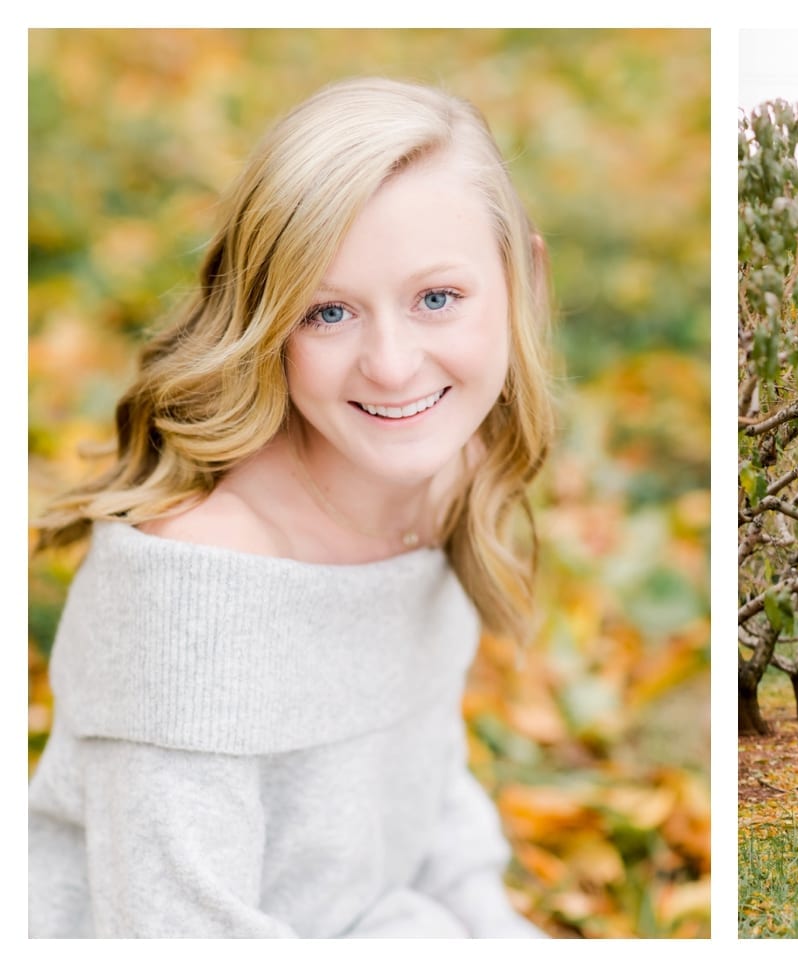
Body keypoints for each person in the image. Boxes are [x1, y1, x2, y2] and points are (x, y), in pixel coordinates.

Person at [28, 77, 553, 938]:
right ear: (266, 322)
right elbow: (176, 934)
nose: (390, 365)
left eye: (436, 298)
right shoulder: (197, 583)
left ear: (523, 279)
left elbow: (418, 786)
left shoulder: (451, 470)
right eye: (329, 311)